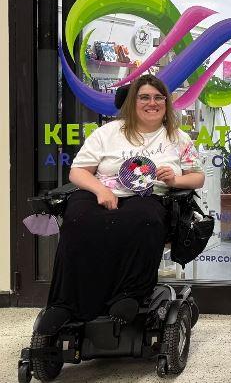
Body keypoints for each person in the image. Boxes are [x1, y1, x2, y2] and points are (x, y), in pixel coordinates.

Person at [39, 74, 204, 333]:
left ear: (166, 102)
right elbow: (78, 172)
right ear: (132, 102)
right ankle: (64, 303)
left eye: (158, 97)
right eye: (144, 97)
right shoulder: (108, 133)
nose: (152, 103)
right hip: (102, 191)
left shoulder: (177, 138)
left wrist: (175, 179)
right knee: (77, 218)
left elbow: (198, 177)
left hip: (149, 195)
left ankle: (129, 295)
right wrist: (100, 190)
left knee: (143, 219)